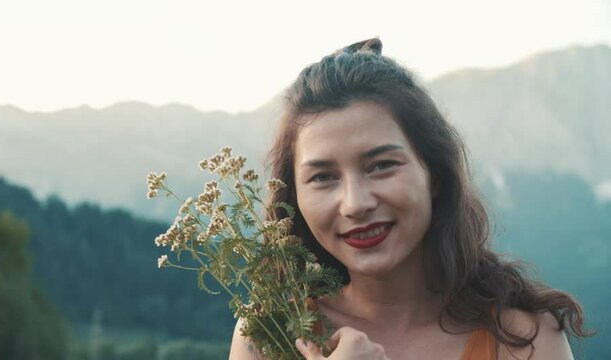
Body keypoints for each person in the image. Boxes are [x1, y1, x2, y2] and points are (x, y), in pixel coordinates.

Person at [229, 38, 590, 359]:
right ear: (294, 197)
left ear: (433, 174)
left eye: (381, 166)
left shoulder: (525, 338)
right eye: (323, 177)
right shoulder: (269, 333)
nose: (355, 203)